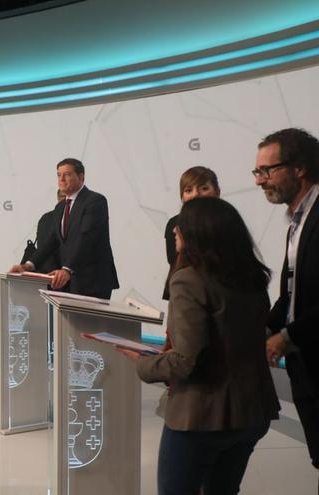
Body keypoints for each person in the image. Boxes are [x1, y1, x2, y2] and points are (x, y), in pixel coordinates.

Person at [121, 197, 279, 494]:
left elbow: (184, 361)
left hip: (202, 416)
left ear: (199, 233)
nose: (175, 230)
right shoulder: (253, 281)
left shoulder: (188, 281)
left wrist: (142, 361)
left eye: (182, 224)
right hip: (251, 412)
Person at [257, 128, 319, 473]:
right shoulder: (297, 220)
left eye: (267, 170)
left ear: (299, 168)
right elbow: (292, 294)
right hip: (305, 367)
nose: (260, 181)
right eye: (258, 172)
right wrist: (264, 328)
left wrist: (287, 337)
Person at [13, 158, 119, 299]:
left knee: (87, 322)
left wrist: (67, 270)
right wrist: (27, 266)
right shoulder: (61, 207)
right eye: (58, 175)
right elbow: (52, 241)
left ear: (81, 177)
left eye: (67, 174)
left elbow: (86, 239)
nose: (61, 179)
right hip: (71, 283)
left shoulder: (95, 201)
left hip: (93, 282)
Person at [162, 167, 220, 300]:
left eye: (204, 188)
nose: (195, 195)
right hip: (184, 293)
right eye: (188, 190)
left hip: (222, 294)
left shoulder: (229, 220)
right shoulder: (175, 223)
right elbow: (174, 261)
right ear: (182, 196)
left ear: (217, 192)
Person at [11, 189, 64, 274]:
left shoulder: (46, 217)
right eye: (64, 197)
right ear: (58, 198)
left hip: (46, 273)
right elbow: (45, 246)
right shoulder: (47, 219)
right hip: (57, 276)